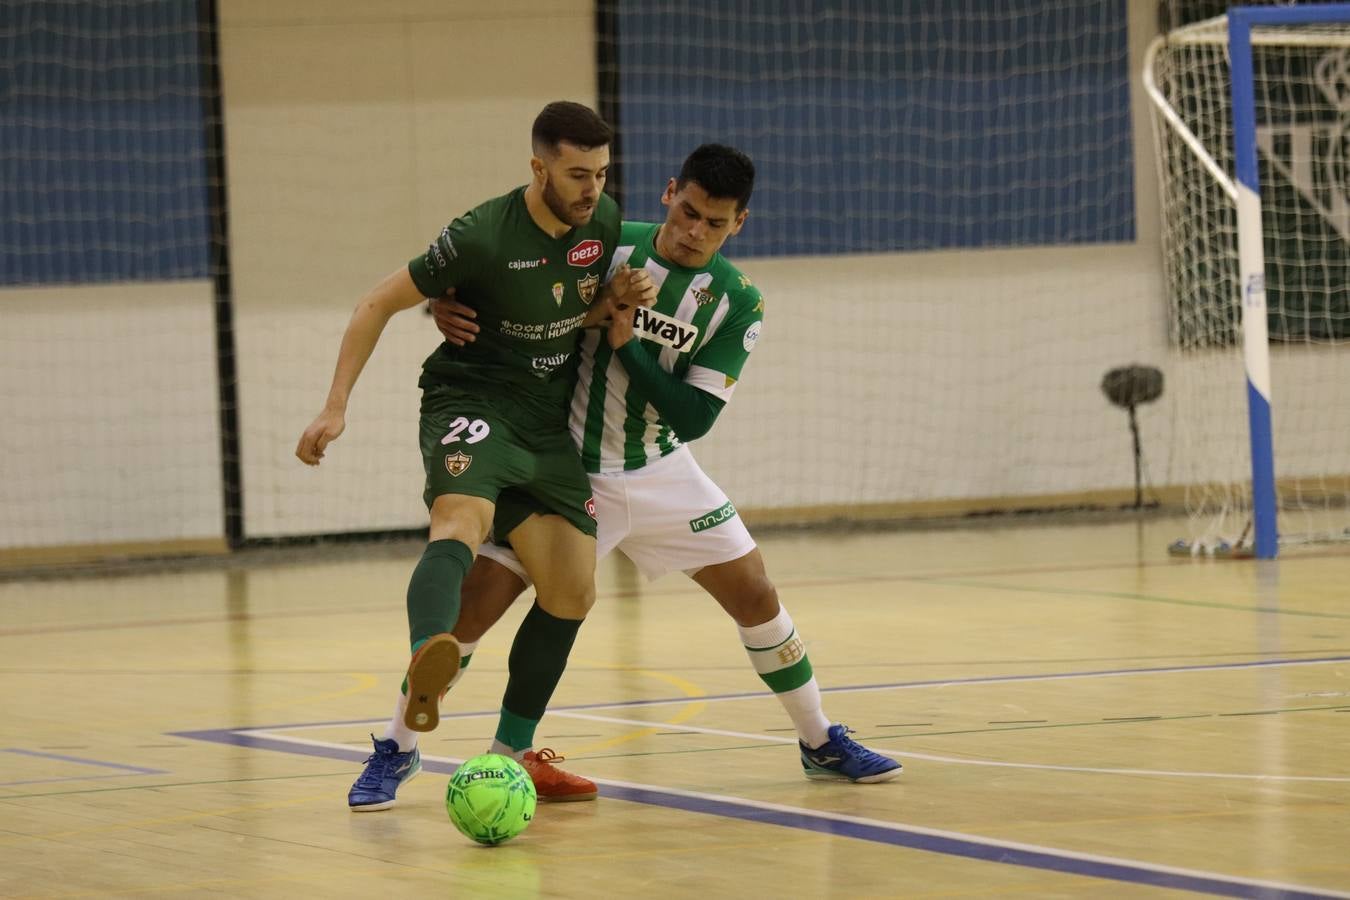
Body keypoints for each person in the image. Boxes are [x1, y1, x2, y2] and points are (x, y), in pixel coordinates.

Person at [349, 143, 901, 812]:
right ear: (670, 193)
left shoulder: (738, 303)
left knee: (756, 593)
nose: (695, 232)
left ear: (739, 225)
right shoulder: (603, 248)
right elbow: (495, 281)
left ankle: (819, 740)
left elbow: (693, 417)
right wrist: (444, 309)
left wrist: (628, 348)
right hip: (568, 467)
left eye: (715, 224)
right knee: (474, 607)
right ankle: (396, 748)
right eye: (689, 212)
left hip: (662, 466)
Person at [297, 101, 654, 812]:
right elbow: (375, 304)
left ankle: (506, 756)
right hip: (472, 400)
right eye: (577, 173)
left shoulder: (604, 223)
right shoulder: (480, 234)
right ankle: (426, 667)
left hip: (545, 424)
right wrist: (335, 405)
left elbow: (561, 309)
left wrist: (618, 300)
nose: (591, 189)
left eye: (602, 174)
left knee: (572, 591)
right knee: (459, 520)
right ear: (538, 167)